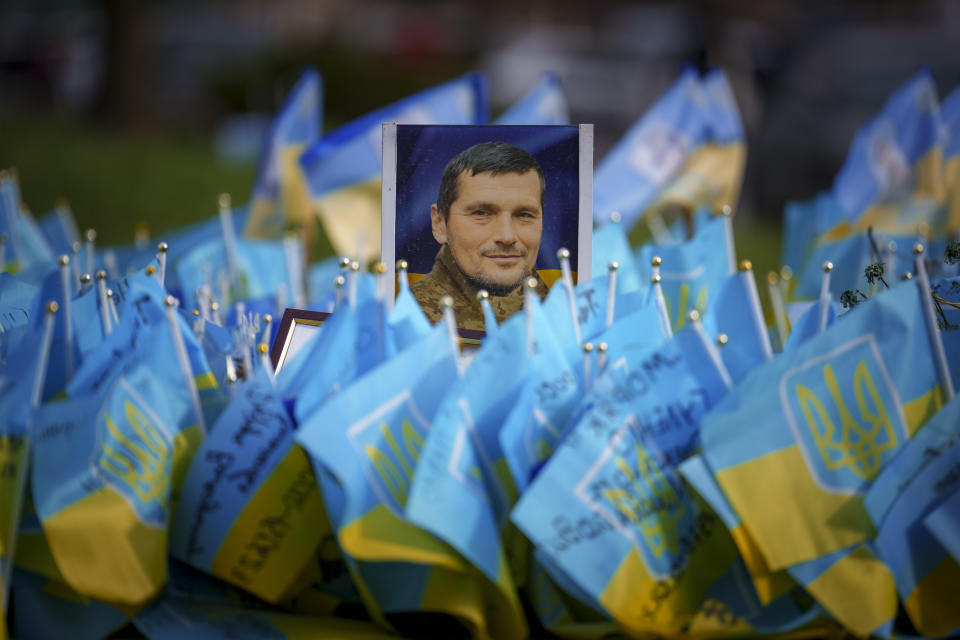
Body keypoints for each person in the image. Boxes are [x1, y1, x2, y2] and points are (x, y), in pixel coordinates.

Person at [411, 141, 550, 330]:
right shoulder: (404, 322)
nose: (507, 236)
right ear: (440, 223)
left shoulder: (573, 319)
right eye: (481, 213)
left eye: (524, 215)